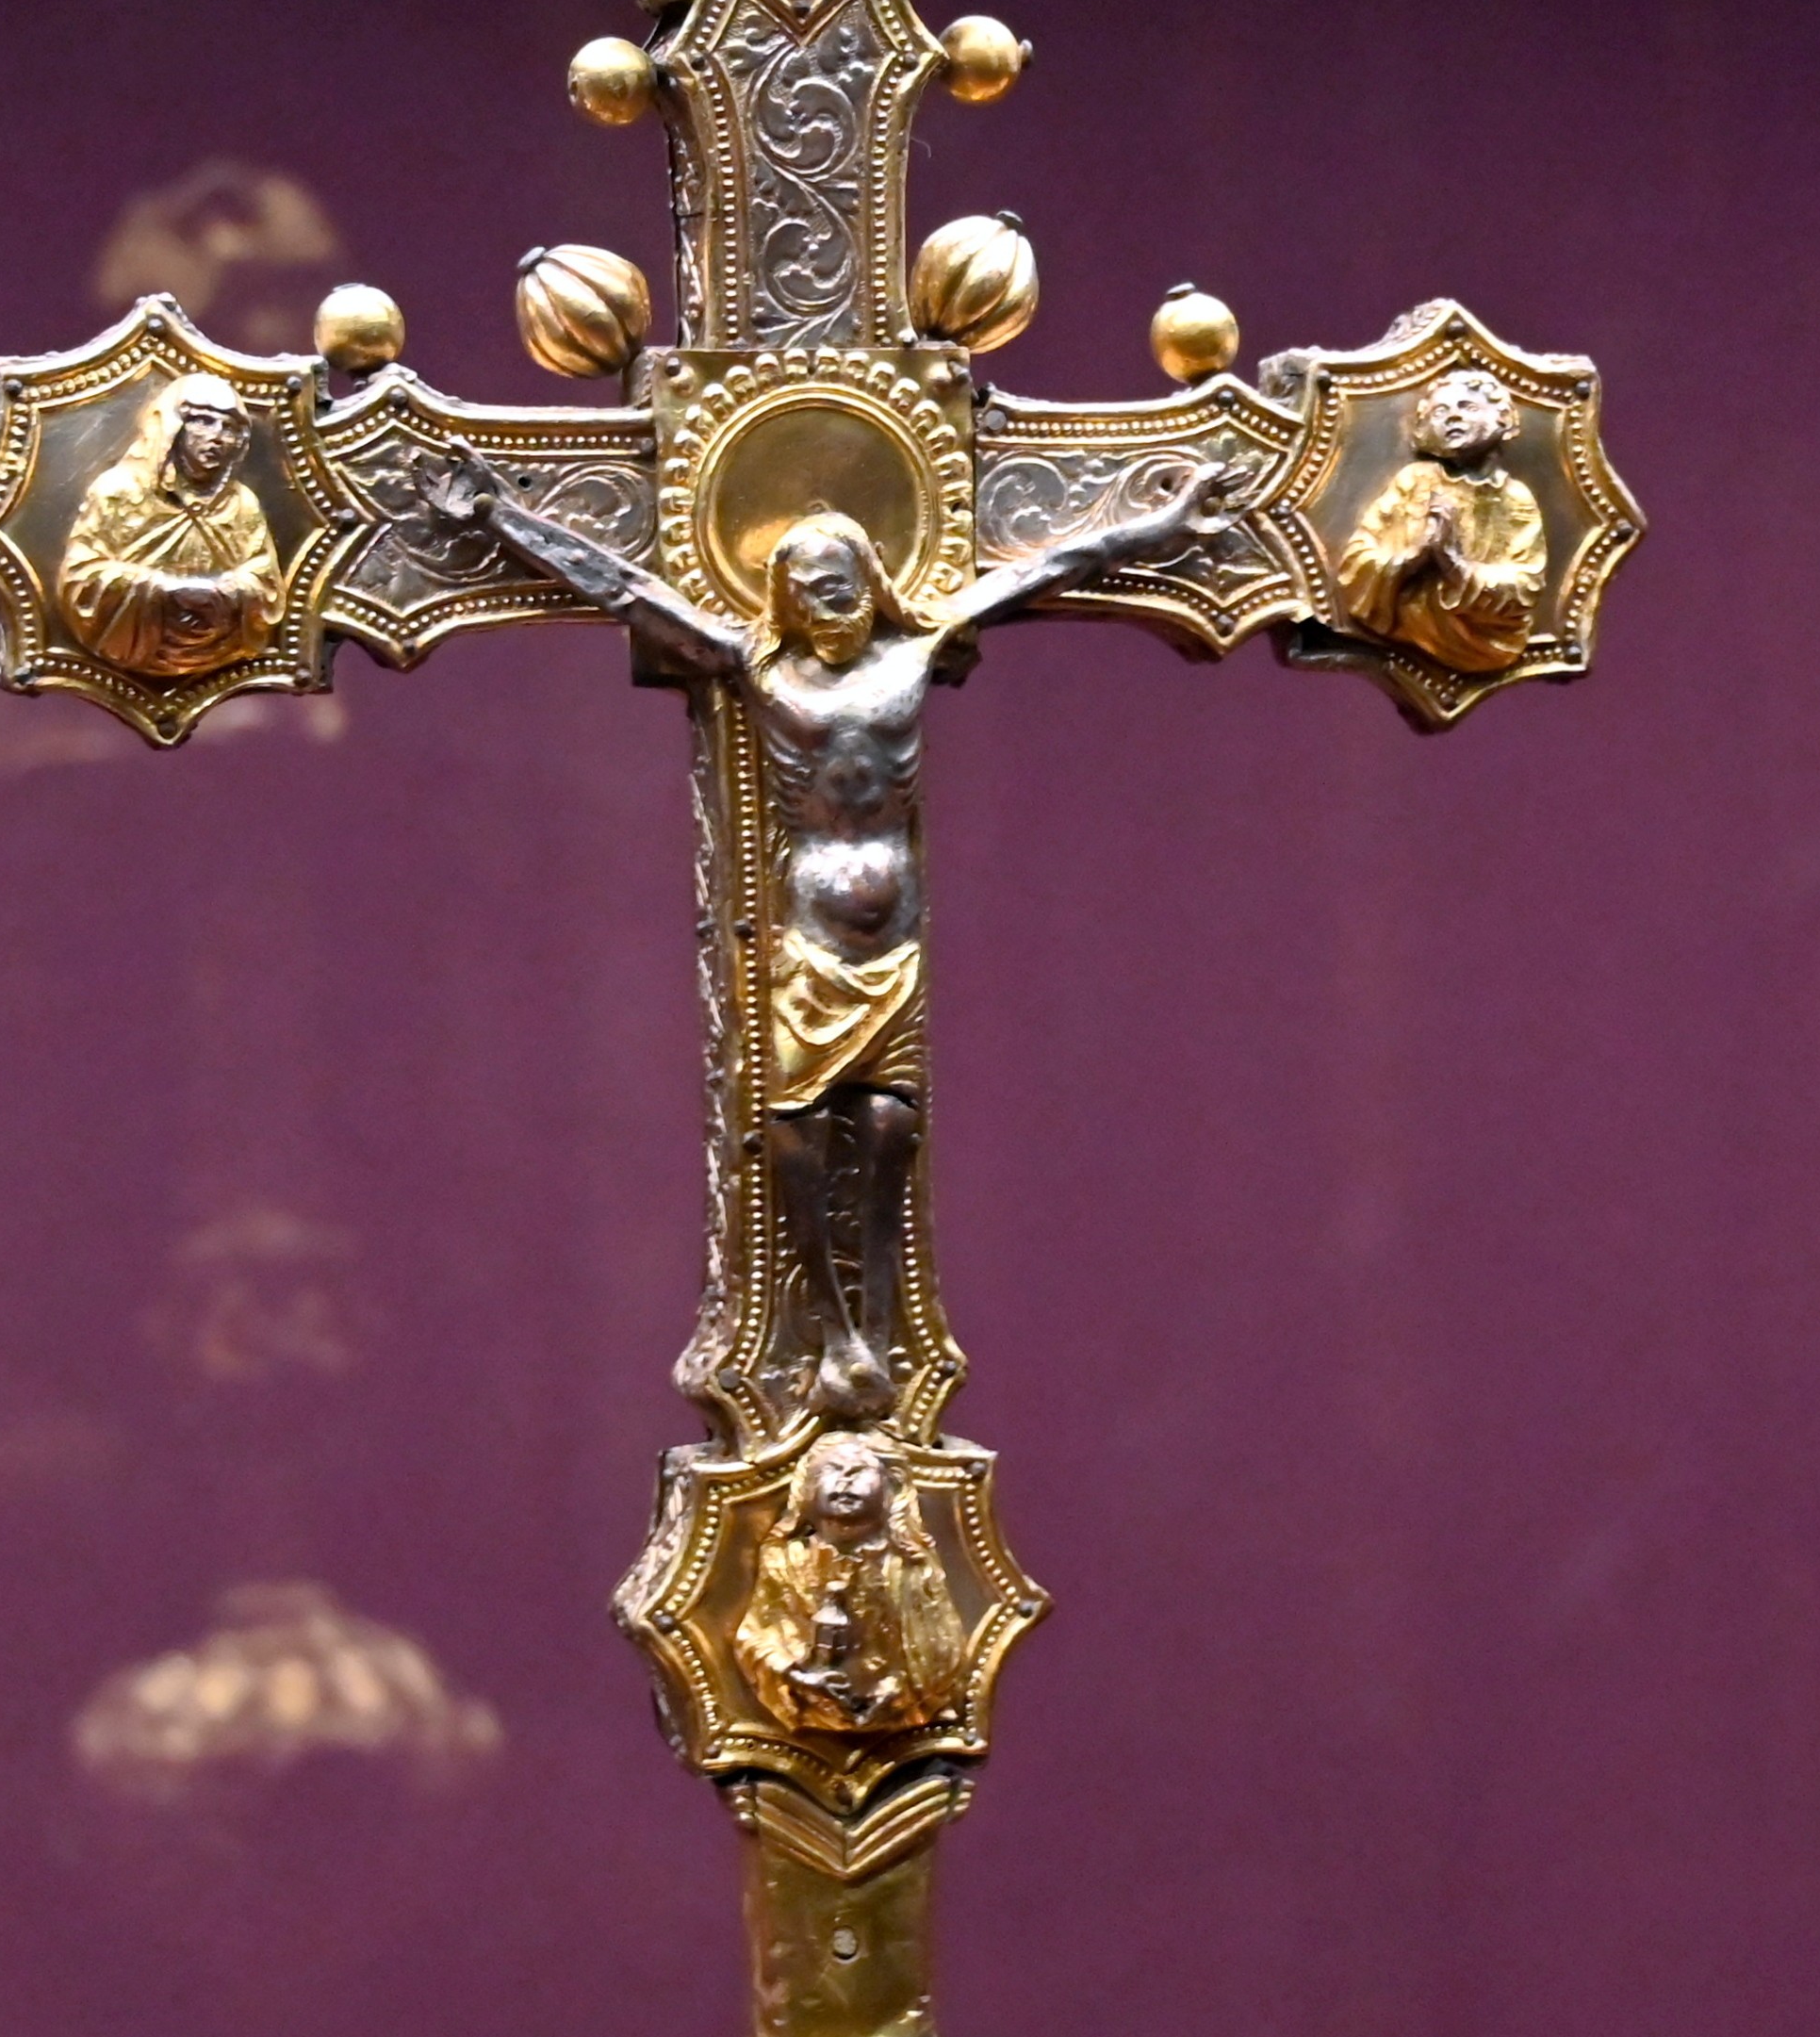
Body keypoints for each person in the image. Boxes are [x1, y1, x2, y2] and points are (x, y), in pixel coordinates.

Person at [415, 442, 1235, 1414]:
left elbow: (1048, 568)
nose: (829, 602)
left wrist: (1161, 523)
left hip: (891, 941)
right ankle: (840, 1331)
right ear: (786, 600)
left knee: (891, 1125)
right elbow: (626, 589)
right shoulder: (761, 672)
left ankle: (871, 1318)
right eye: (809, 591)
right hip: (807, 942)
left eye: (842, 585)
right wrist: (499, 517)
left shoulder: (917, 654)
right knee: (797, 1126)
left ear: (871, 583)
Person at [730, 1428, 966, 1736]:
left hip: (896, 1707)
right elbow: (756, 1634)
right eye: (831, 1470)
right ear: (807, 1488)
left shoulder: (908, 1566)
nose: (845, 1480)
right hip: (810, 1707)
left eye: (860, 1471)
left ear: (891, 1488)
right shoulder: (784, 1559)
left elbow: (940, 1645)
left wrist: (899, 1691)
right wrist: (800, 1677)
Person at [57, 375, 283, 677]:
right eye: (203, 421)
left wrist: (224, 592)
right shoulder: (119, 491)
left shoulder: (241, 505)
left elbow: (265, 583)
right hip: (132, 642)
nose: (217, 436)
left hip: (217, 647)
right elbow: (81, 577)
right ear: (172, 426)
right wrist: (165, 591)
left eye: (228, 427)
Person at [1329, 369, 1549, 675]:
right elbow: (1358, 557)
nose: (1453, 417)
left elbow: (1527, 584)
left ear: (1503, 417)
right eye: (1440, 411)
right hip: (1409, 622)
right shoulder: (1414, 481)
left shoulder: (1515, 499)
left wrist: (1453, 564)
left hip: (1485, 642)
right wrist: (1413, 559)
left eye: (1467, 407)